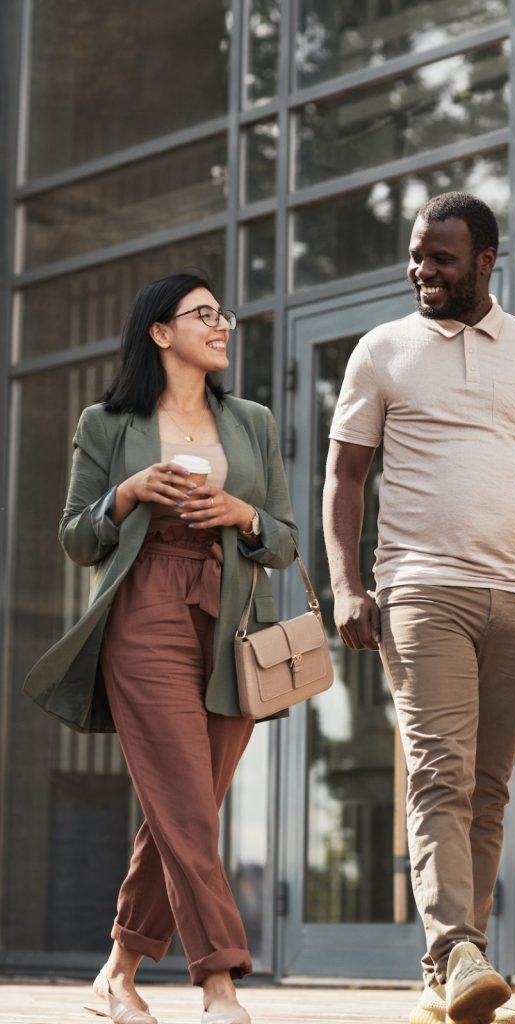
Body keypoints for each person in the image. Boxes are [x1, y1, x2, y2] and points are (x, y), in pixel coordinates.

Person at [322, 192, 515, 1024]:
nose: (422, 270)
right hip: (421, 590)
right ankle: (456, 948)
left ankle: (456, 972)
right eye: (417, 256)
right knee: (438, 774)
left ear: (486, 261)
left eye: (440, 258)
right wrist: (348, 584)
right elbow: (346, 475)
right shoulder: (383, 350)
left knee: (487, 789)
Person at [24, 273, 298, 1024]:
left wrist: (243, 513)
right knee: (183, 802)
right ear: (160, 332)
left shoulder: (253, 422)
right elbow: (77, 537)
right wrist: (130, 491)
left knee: (187, 809)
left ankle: (117, 973)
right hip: (143, 611)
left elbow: (283, 539)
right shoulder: (107, 423)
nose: (222, 326)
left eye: (224, 314)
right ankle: (219, 980)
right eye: (204, 314)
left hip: (230, 618)